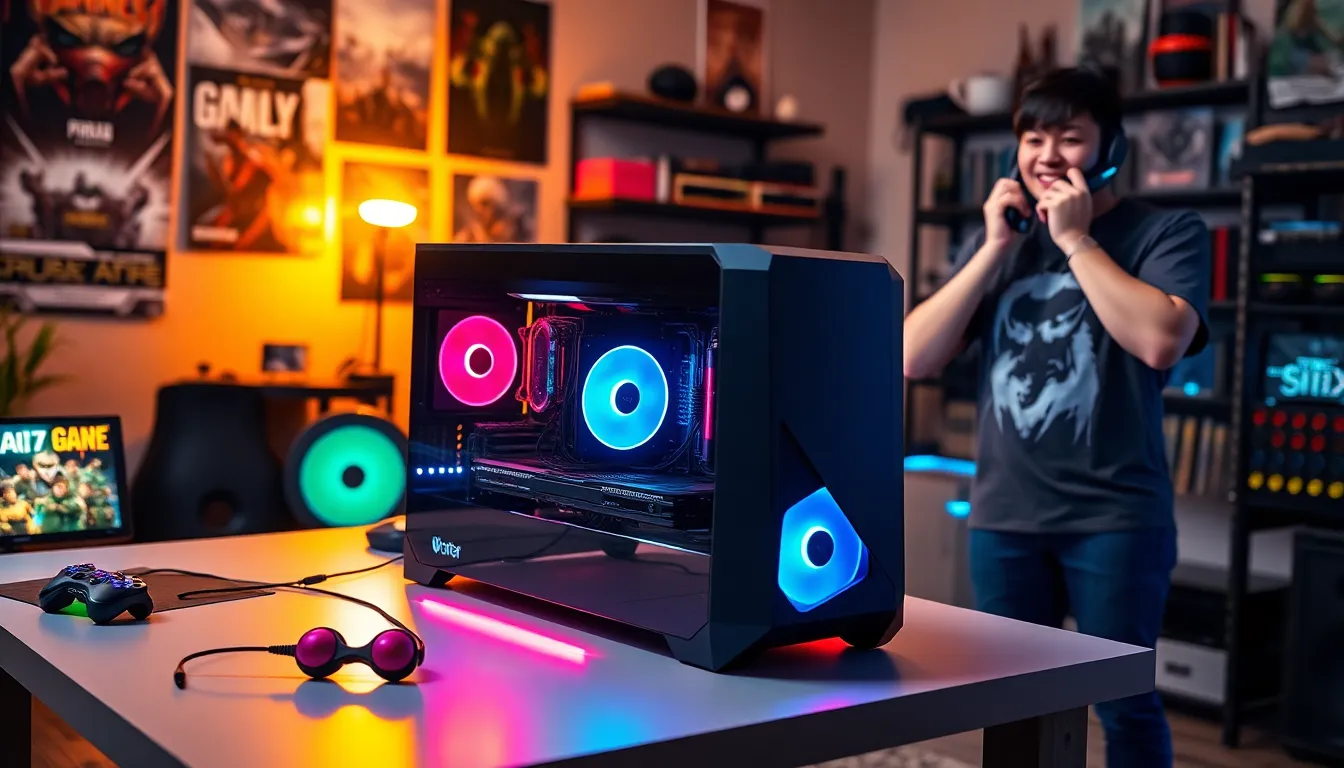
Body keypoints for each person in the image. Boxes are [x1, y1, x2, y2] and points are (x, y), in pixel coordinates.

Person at [903, 67, 1210, 768]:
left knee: (1124, 704)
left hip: (1115, 519)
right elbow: (913, 356)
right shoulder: (1001, 244)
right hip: (1005, 517)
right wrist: (992, 250)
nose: (1046, 155)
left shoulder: (1165, 232)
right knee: (1011, 699)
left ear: (1111, 148)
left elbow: (1161, 339)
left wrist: (1076, 242)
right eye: (1032, 138)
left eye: (1069, 138)